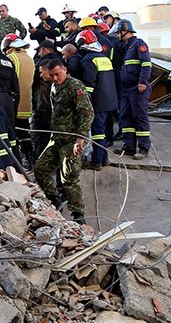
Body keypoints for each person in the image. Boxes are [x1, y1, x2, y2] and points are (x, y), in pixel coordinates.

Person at [33, 60, 94, 223]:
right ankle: (55, 200)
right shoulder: (54, 86)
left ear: (65, 70)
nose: (55, 78)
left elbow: (87, 113)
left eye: (58, 74)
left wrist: (80, 138)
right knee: (40, 169)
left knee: (69, 177)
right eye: (52, 75)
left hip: (72, 140)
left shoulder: (75, 86)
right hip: (57, 138)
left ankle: (78, 216)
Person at [77, 30, 119, 170]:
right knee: (104, 132)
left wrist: (85, 101)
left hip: (98, 102)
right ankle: (104, 159)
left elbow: (89, 83)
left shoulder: (88, 60)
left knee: (97, 133)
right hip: (110, 101)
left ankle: (96, 162)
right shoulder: (104, 58)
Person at [115, 19, 152, 159]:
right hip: (126, 89)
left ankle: (143, 148)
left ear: (125, 31)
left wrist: (142, 82)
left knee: (140, 117)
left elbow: (146, 64)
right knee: (126, 117)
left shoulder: (138, 44)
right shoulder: (126, 48)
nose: (117, 35)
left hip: (137, 89)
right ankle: (129, 147)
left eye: (118, 32)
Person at [4, 36, 35, 166]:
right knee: (24, 132)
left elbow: (10, 81)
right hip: (27, 103)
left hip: (14, 103)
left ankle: (18, 162)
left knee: (12, 133)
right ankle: (30, 158)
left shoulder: (11, 58)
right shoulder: (29, 58)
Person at [30, 46, 59, 163]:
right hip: (50, 112)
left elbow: (33, 85)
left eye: (42, 72)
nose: (40, 74)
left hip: (43, 110)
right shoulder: (59, 80)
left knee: (40, 140)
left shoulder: (43, 65)